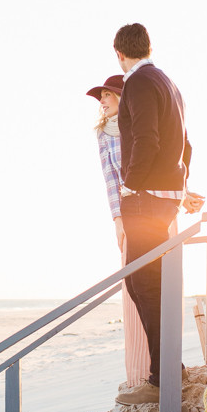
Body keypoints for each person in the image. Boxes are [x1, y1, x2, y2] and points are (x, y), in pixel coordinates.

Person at [112, 23, 203, 406]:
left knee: (142, 284)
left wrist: (131, 185)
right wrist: (179, 186)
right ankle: (170, 369)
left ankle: (160, 378)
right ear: (147, 46)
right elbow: (186, 144)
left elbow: (145, 137)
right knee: (152, 284)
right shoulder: (169, 83)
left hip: (146, 196)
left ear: (119, 53)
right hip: (165, 194)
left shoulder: (136, 82)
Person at [86, 75, 151, 387]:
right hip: (128, 213)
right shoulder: (102, 135)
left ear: (122, 97)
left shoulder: (139, 125)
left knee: (154, 285)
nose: (102, 100)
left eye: (107, 95)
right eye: (100, 97)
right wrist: (117, 220)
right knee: (133, 286)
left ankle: (163, 365)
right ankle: (139, 371)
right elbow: (110, 179)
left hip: (153, 207)